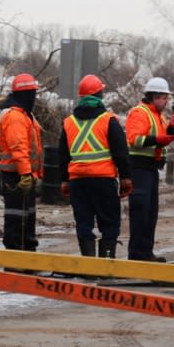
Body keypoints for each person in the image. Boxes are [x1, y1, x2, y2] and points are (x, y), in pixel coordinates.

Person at [58, 75, 133, 258]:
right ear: (100, 94)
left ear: (81, 97)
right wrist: (125, 177)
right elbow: (120, 152)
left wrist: (64, 181)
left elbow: (62, 156)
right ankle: (106, 262)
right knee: (109, 221)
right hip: (103, 180)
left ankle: (88, 264)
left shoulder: (69, 123)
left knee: (83, 222)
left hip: (78, 182)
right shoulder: (108, 121)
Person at [125, 77, 174, 262]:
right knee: (141, 212)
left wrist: (171, 130)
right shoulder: (140, 113)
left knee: (150, 213)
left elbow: (164, 138)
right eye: (164, 98)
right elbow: (135, 139)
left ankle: (145, 253)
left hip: (151, 170)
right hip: (139, 170)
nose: (166, 102)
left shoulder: (158, 115)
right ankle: (137, 254)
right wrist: (158, 140)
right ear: (155, 97)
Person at [0, 73, 43, 253]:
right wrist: (25, 174)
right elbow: (19, 148)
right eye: (32, 93)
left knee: (27, 217)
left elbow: (33, 149)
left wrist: (33, 175)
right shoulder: (16, 117)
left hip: (24, 176)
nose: (34, 97)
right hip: (16, 177)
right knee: (17, 218)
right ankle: (16, 255)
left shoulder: (25, 115)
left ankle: (27, 253)